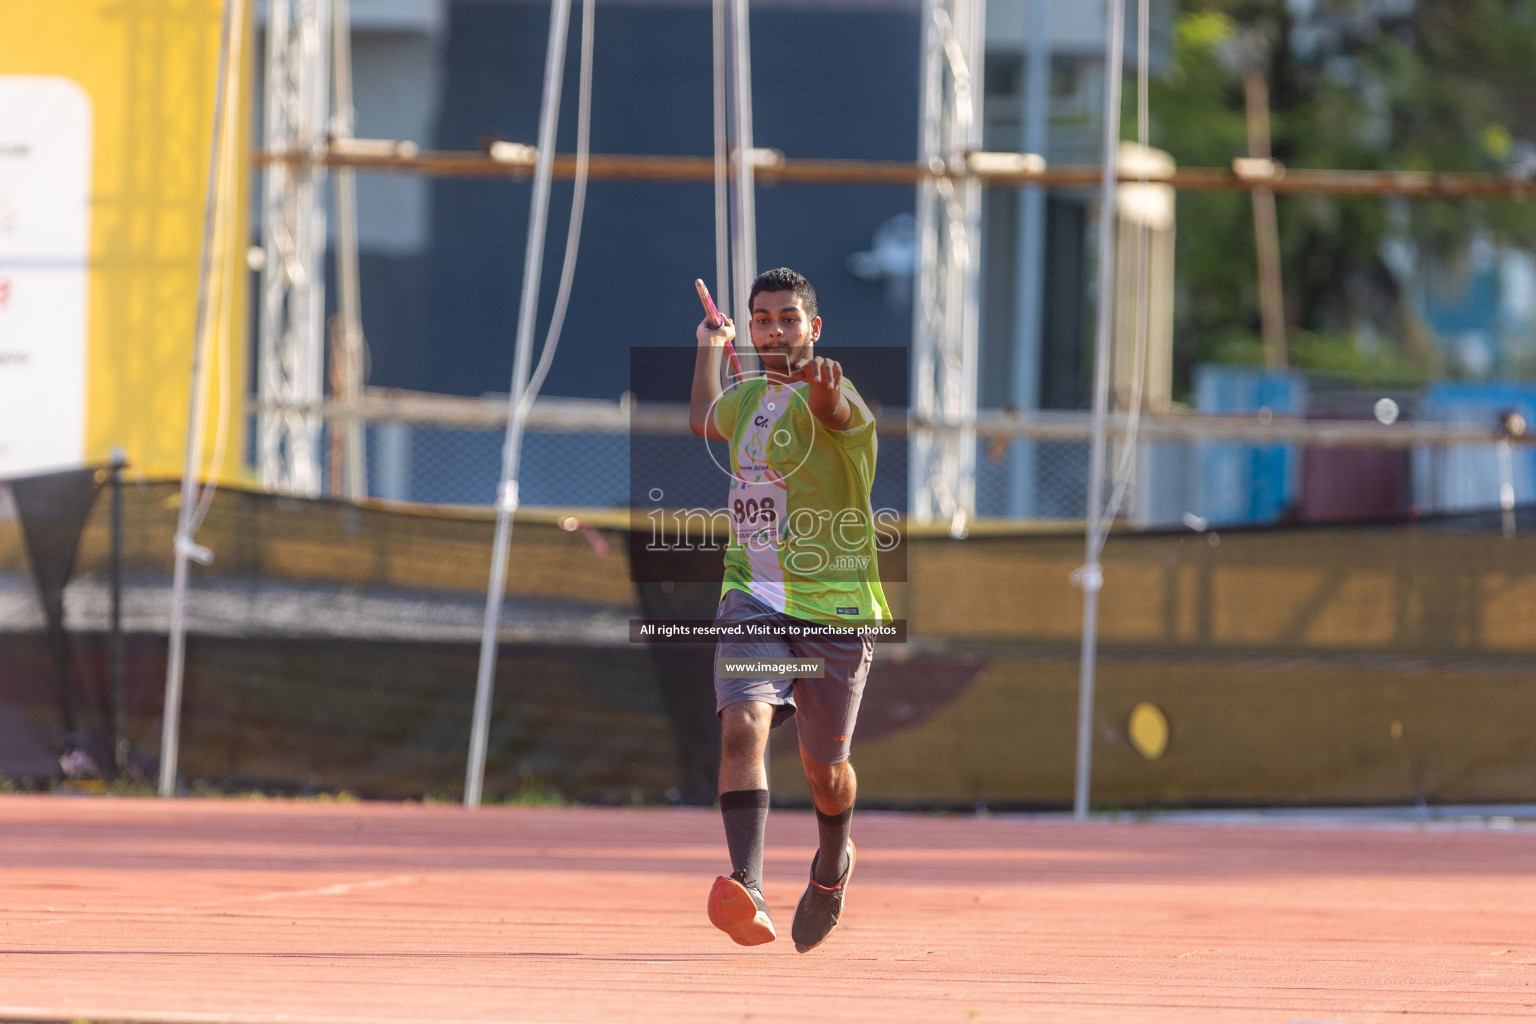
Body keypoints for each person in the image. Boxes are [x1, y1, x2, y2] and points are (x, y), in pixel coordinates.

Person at [688, 267, 890, 953]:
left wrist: (824, 394)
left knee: (823, 773)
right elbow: (702, 417)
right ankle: (746, 882)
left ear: (814, 327)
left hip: (836, 608)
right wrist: (708, 348)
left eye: (788, 319)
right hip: (753, 597)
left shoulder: (843, 401)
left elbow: (836, 414)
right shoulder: (748, 402)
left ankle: (833, 862)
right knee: (743, 724)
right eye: (761, 319)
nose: (774, 330)